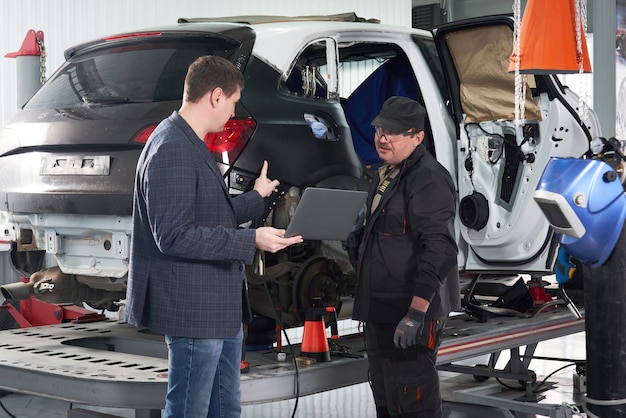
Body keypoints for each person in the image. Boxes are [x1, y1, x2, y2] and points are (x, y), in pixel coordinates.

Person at [125, 55, 302, 418]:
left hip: (217, 310)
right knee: (189, 409)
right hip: (194, 311)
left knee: (225, 410)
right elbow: (173, 235)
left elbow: (208, 214)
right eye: (234, 101)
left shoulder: (187, 142)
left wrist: (258, 197)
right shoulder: (172, 147)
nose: (233, 112)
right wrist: (251, 241)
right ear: (216, 96)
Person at [351, 96, 460, 418]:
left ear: (417, 137)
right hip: (381, 306)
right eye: (380, 129)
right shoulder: (384, 176)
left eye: (393, 132)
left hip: (409, 308)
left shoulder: (428, 178)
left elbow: (440, 249)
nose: (383, 138)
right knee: (386, 398)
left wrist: (415, 313)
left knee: (413, 402)